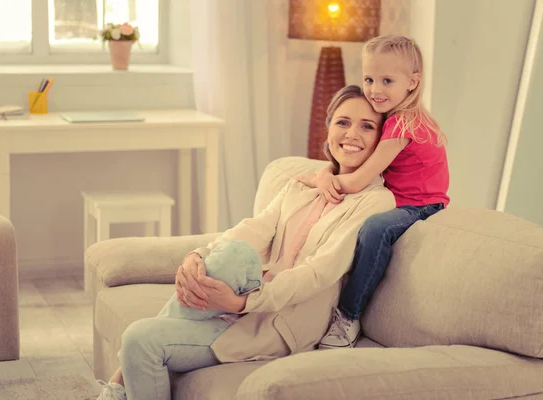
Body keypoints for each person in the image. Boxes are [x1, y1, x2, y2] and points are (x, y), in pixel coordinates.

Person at [97, 85, 395, 400]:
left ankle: (117, 386)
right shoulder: (302, 185)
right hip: (247, 296)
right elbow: (252, 229)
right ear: (329, 126)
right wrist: (196, 257)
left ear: (381, 140)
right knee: (234, 255)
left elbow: (318, 273)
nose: (352, 134)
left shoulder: (376, 200)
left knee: (140, 340)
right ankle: (119, 386)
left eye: (367, 126)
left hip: (283, 321)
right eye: (343, 122)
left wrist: (242, 303)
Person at [299, 35, 450, 349]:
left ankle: (348, 315)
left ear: (412, 82)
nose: (375, 89)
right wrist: (328, 170)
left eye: (386, 80)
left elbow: (356, 180)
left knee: (374, 228)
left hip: (421, 206)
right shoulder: (399, 117)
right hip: (406, 197)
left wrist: (320, 179)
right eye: (369, 79)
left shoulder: (402, 125)